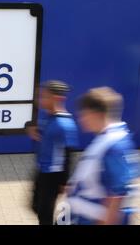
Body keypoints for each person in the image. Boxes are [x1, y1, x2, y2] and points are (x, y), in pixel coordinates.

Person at [65, 87, 139, 225]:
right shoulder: (105, 139)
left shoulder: (114, 145)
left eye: (84, 114)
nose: (81, 120)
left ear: (96, 114)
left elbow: (117, 195)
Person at [26, 80, 79, 225]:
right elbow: (44, 137)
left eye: (45, 97)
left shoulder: (65, 124)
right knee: (36, 206)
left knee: (44, 213)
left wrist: (64, 181)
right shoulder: (47, 117)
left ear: (58, 98)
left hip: (53, 175)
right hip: (41, 170)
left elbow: (69, 154)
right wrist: (35, 134)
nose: (41, 100)